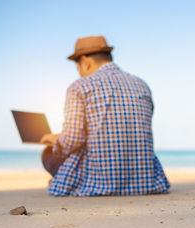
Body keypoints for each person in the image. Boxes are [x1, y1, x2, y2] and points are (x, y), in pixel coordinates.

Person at [40, 36, 170, 196]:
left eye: (78, 68)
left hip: (99, 181)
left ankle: (65, 180)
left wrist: (55, 139)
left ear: (85, 62)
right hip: (145, 181)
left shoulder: (79, 87)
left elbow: (73, 140)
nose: (80, 73)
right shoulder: (142, 85)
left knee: (47, 153)